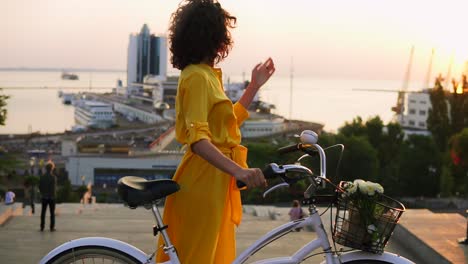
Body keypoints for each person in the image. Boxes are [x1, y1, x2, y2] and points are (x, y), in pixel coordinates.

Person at [156, 1, 275, 263]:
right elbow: (198, 141)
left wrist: (253, 87)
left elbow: (227, 123)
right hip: (204, 182)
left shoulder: (206, 75)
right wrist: (240, 171)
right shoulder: (197, 77)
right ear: (211, 36)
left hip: (216, 181)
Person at [39, 161, 57, 232]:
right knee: (52, 213)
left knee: (43, 212)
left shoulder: (42, 177)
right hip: (51, 198)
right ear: (52, 168)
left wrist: (43, 193)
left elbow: (40, 187)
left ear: (46, 168)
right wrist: (53, 196)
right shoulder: (53, 177)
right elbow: (53, 188)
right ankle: (51, 227)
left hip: (44, 197)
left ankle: (42, 227)